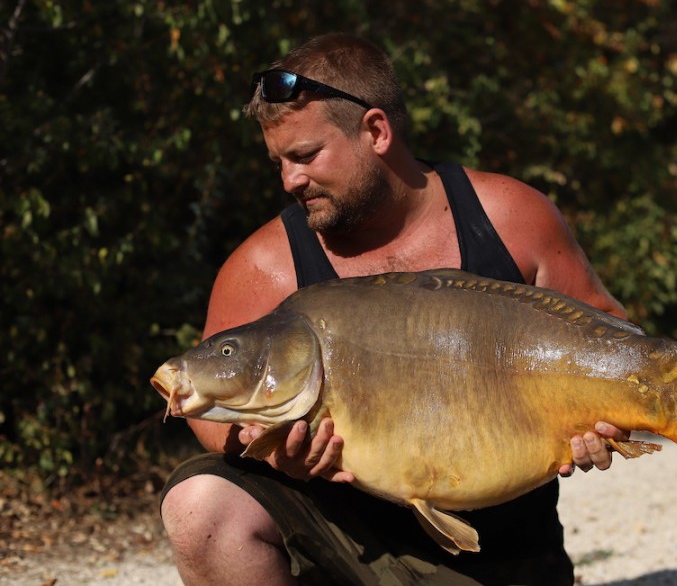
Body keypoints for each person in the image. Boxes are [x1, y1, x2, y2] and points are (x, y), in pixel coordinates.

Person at [160, 33, 631, 585]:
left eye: (305, 155)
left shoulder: (509, 216)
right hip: (346, 550)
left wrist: (606, 422)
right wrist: (267, 451)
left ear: (376, 131)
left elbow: (616, 337)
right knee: (201, 506)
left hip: (505, 554)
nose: (290, 179)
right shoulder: (265, 265)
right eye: (279, 161)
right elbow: (212, 407)